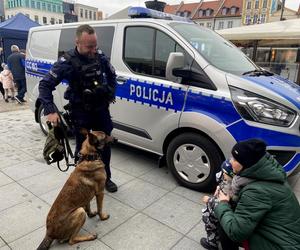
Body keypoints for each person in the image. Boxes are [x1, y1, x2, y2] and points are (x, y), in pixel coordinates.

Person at [38, 24, 118, 193]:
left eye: (95, 45)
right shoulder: (66, 62)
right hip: (81, 111)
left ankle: (105, 178)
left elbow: (112, 75)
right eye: (89, 46)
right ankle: (82, 181)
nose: (93, 50)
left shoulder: (99, 55)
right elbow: (45, 85)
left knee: (105, 145)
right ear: (78, 42)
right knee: (83, 147)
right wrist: (50, 110)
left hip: (100, 110)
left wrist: (110, 93)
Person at [214, 139, 300, 250]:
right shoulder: (267, 174)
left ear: (246, 164)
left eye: (235, 159)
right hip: (285, 235)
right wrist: (229, 195)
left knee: (226, 223)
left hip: (279, 245)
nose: (230, 161)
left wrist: (223, 203)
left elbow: (236, 232)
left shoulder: (257, 192)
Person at [201, 160, 252, 250]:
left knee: (208, 218)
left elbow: (222, 203)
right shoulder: (235, 182)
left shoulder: (232, 189)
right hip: (228, 213)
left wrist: (209, 200)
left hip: (225, 214)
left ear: (232, 176)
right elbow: (221, 180)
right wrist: (219, 186)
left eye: (224, 173)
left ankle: (212, 242)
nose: (221, 174)